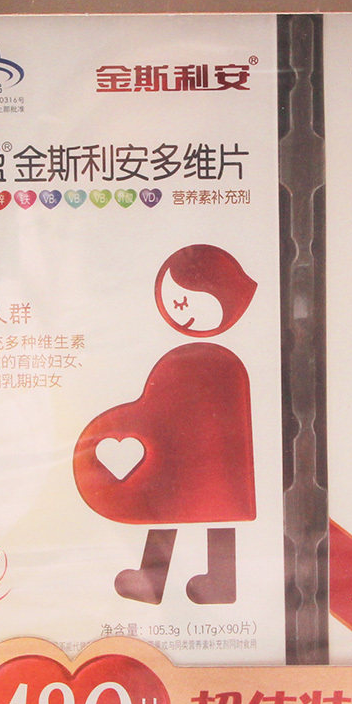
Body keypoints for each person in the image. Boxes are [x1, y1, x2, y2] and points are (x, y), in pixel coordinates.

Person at [73, 245, 258, 606]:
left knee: (197, 514)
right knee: (172, 510)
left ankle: (214, 582)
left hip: (209, 464)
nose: (181, 310)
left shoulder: (218, 364)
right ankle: (159, 581)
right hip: (192, 462)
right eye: (176, 300)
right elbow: (155, 406)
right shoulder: (202, 361)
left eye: (191, 300)